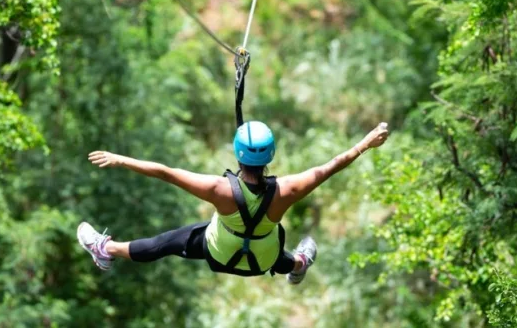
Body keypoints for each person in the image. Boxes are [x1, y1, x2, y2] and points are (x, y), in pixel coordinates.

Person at [77, 121, 390, 283]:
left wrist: (121, 159)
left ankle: (106, 251)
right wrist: (366, 142)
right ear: (271, 155)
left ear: (237, 153)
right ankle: (298, 264)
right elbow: (332, 165)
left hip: (219, 254)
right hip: (263, 261)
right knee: (267, 245)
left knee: (168, 242)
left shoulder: (218, 189)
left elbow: (166, 173)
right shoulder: (289, 190)